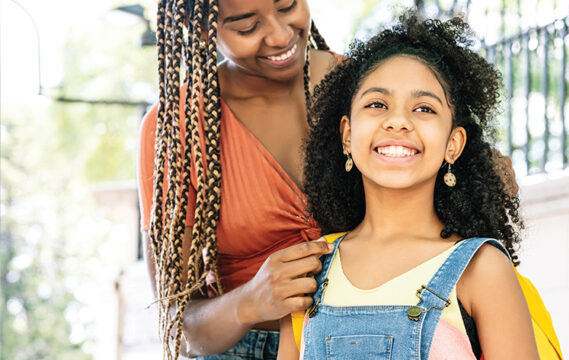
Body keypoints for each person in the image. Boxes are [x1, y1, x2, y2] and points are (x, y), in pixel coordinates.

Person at [138, 1, 518, 359]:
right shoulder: (178, 130)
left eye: (287, 5)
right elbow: (176, 325)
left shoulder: (369, 91)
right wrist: (249, 302)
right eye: (248, 26)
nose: (279, 35)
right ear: (203, 30)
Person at [277, 11, 539, 359]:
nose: (398, 120)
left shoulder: (482, 269)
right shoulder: (308, 270)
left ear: (453, 144)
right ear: (347, 135)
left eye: (424, 108)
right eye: (377, 104)